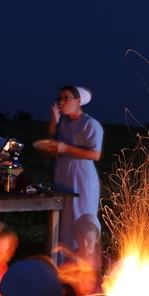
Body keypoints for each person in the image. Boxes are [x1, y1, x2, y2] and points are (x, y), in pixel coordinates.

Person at [47, 85, 103, 253]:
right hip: (63, 173)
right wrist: (54, 122)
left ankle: (82, 259)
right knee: (62, 217)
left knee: (78, 216)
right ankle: (60, 260)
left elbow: (95, 154)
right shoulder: (63, 123)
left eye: (66, 98)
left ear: (78, 101)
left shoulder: (90, 124)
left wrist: (67, 149)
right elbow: (52, 144)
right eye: (59, 99)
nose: (61, 102)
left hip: (81, 177)